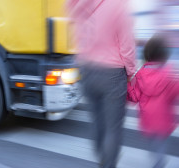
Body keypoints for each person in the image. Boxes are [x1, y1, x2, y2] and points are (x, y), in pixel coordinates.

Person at [65, 0, 136, 167]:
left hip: (87, 69)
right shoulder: (119, 4)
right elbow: (126, 43)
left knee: (97, 121)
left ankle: (102, 156)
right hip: (112, 72)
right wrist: (131, 72)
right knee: (113, 127)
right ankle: (108, 162)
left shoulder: (76, 3)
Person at [127, 36, 178, 168]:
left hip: (148, 122)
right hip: (163, 121)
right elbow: (174, 92)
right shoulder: (168, 75)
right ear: (164, 55)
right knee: (160, 147)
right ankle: (158, 164)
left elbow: (133, 97)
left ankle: (157, 163)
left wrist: (127, 84)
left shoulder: (140, 75)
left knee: (153, 146)